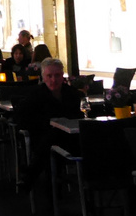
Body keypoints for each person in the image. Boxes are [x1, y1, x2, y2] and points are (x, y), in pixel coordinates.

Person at [16, 58, 85, 189]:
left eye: (57, 75)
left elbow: (79, 116)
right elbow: (23, 119)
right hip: (43, 139)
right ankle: (51, 187)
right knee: (52, 138)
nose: (54, 79)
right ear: (43, 77)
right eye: (49, 76)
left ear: (62, 75)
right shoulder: (35, 95)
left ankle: (32, 175)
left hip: (71, 140)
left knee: (54, 137)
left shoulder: (72, 94)